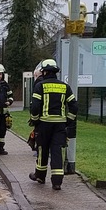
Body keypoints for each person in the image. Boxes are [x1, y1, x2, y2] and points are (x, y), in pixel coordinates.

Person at [28, 58, 77, 190]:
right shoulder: (64, 86)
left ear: (43, 72)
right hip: (60, 125)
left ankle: (40, 176)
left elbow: (35, 107)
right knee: (56, 151)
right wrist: (68, 121)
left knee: (42, 149)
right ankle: (57, 182)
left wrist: (34, 119)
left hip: (44, 124)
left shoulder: (40, 86)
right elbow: (73, 106)